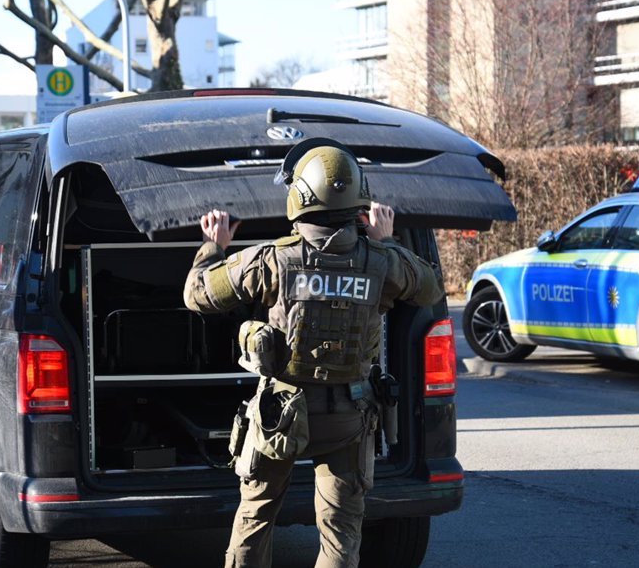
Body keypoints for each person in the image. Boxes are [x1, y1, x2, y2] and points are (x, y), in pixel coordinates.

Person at [183, 140, 444, 568]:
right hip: (350, 417)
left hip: (279, 416)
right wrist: (388, 240)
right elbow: (430, 290)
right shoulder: (383, 263)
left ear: (300, 196)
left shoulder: (271, 260)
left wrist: (214, 246)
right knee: (341, 535)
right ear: (357, 200)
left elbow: (197, 295)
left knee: (255, 516)